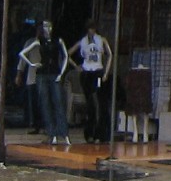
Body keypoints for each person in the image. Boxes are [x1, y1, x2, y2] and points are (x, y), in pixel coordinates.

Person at [18, 20, 72, 149]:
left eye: (49, 26)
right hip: (42, 74)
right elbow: (22, 53)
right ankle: (52, 134)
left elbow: (66, 56)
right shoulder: (39, 41)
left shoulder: (58, 41)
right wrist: (32, 64)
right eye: (45, 27)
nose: (48, 29)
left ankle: (64, 133)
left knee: (58, 103)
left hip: (55, 73)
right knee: (45, 104)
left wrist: (61, 73)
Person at [72, 21, 111, 144]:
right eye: (90, 29)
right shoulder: (82, 42)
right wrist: (76, 66)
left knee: (99, 101)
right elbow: (68, 53)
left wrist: (106, 73)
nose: (91, 31)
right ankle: (90, 132)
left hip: (98, 72)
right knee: (90, 103)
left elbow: (110, 55)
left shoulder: (101, 40)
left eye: (93, 29)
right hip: (87, 73)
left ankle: (100, 133)